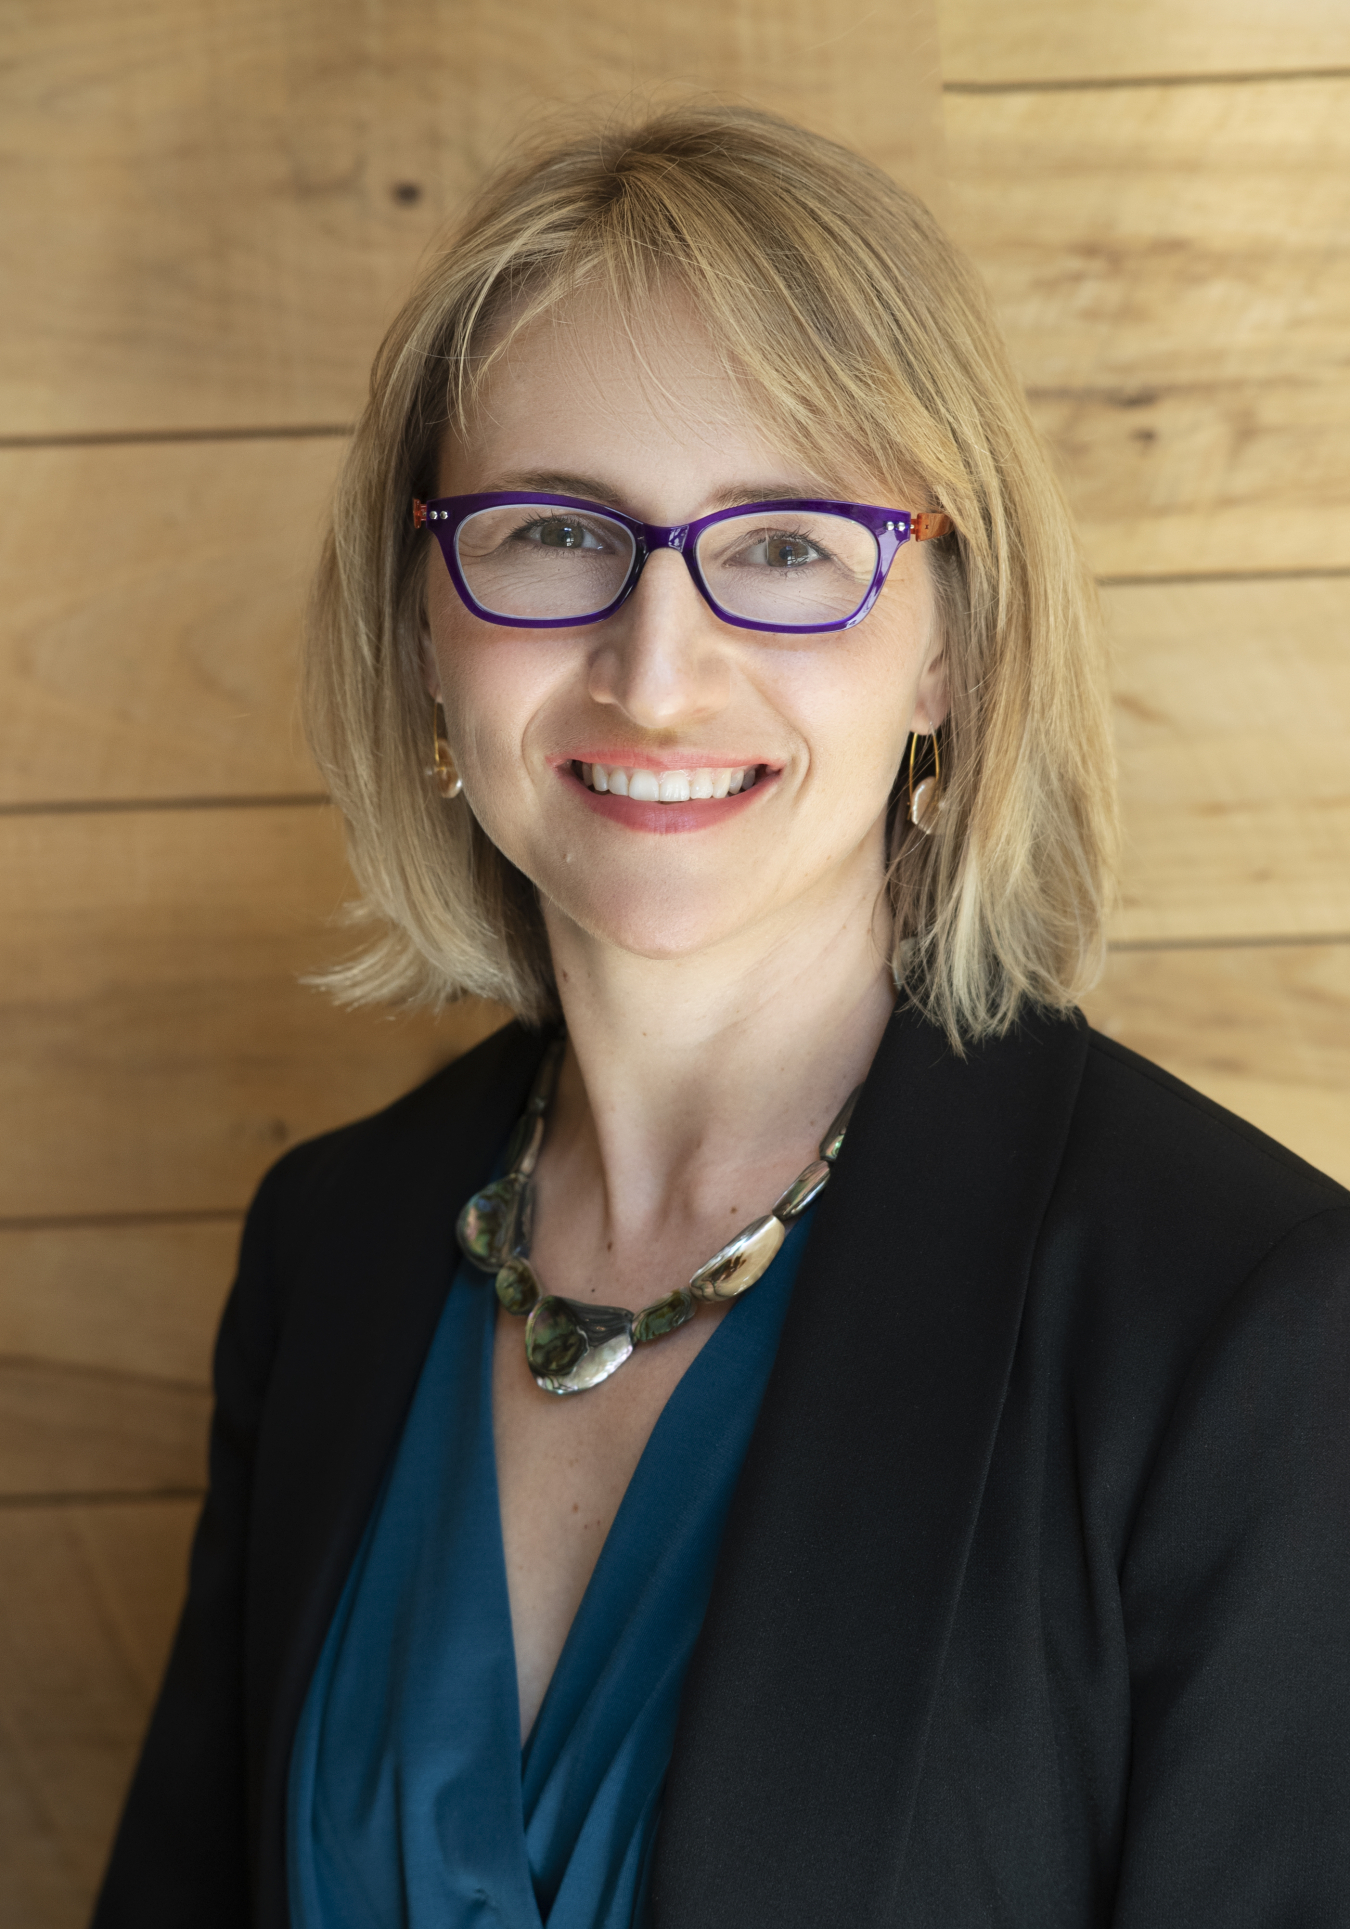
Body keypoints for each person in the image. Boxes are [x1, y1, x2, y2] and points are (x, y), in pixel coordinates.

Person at [93, 106, 1350, 1929]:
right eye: (545, 532)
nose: (656, 672)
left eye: (780, 545)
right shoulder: (333, 1246)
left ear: (945, 643)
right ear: (424, 631)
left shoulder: (1245, 1323)